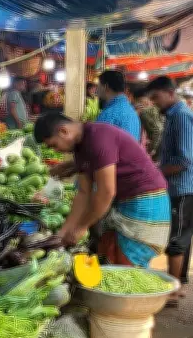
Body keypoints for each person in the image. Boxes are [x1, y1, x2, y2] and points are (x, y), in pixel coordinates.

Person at [33, 114, 171, 267]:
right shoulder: (79, 149)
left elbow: (106, 192)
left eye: (54, 145)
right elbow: (83, 194)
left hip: (147, 202)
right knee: (111, 255)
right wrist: (62, 234)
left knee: (127, 264)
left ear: (63, 131)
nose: (57, 151)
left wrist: (80, 227)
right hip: (125, 201)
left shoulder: (98, 137)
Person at [146, 77, 193, 302]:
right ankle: (179, 282)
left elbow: (183, 160)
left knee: (177, 238)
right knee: (183, 236)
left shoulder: (182, 117)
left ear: (170, 93)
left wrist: (157, 172)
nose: (154, 103)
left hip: (186, 186)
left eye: (156, 97)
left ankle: (173, 290)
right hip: (184, 186)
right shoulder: (174, 116)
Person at [96, 70, 141, 141]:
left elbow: (99, 145)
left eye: (98, 85)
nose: (96, 89)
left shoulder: (109, 114)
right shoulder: (131, 111)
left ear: (106, 86)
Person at [133, 89, 164, 160]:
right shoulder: (155, 109)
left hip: (156, 151)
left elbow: (157, 130)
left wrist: (151, 149)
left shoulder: (145, 113)